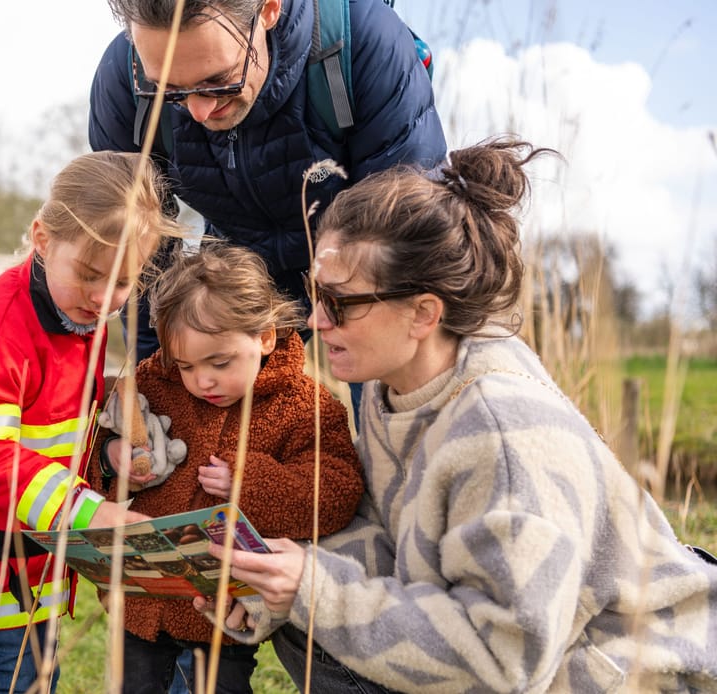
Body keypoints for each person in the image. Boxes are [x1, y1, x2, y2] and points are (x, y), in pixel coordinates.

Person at [196, 138, 717, 692]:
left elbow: (506, 658)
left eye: (340, 303)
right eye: (314, 293)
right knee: (307, 622)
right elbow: (388, 537)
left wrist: (314, 590)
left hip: (629, 672)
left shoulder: (503, 433)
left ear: (423, 313)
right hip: (534, 652)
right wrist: (277, 584)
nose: (315, 320)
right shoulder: (396, 387)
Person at [0, 151, 184, 694]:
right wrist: (91, 511)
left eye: (122, 282)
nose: (103, 298)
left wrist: (106, 455)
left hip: (35, 554)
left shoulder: (78, 317)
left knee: (40, 674)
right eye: (89, 274)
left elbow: (54, 426)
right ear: (42, 238)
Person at [89, 0, 447, 369]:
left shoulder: (364, 41)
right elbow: (139, 255)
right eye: (170, 90)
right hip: (238, 261)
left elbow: (403, 241)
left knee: (390, 375)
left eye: (218, 81)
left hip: (358, 257)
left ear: (269, 10)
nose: (198, 111)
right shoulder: (125, 80)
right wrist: (157, 373)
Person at [88, 241, 363, 693]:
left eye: (220, 362)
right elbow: (96, 450)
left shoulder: (306, 407)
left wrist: (249, 481)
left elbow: (335, 493)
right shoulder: (155, 383)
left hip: (225, 611)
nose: (203, 380)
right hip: (143, 599)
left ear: (265, 337)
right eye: (186, 365)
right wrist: (112, 459)